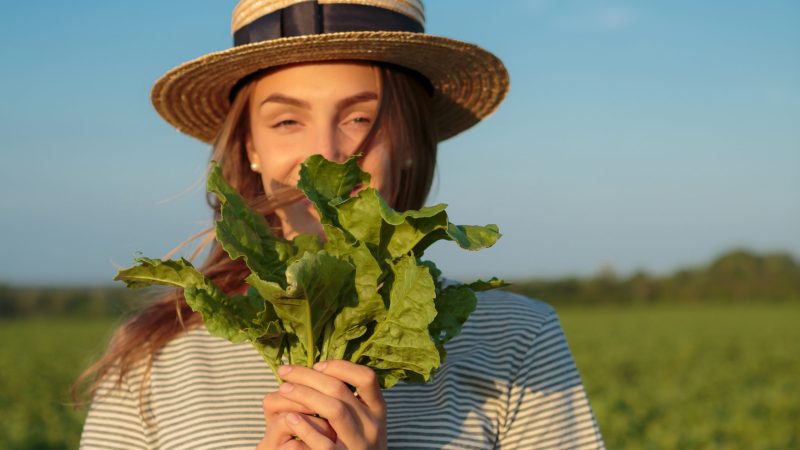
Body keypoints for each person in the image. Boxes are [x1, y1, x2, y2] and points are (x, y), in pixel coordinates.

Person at [77, 1, 605, 448]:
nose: (325, 154)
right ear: (250, 148)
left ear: (408, 143)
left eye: (359, 118)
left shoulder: (515, 340)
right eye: (287, 121)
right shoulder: (155, 356)